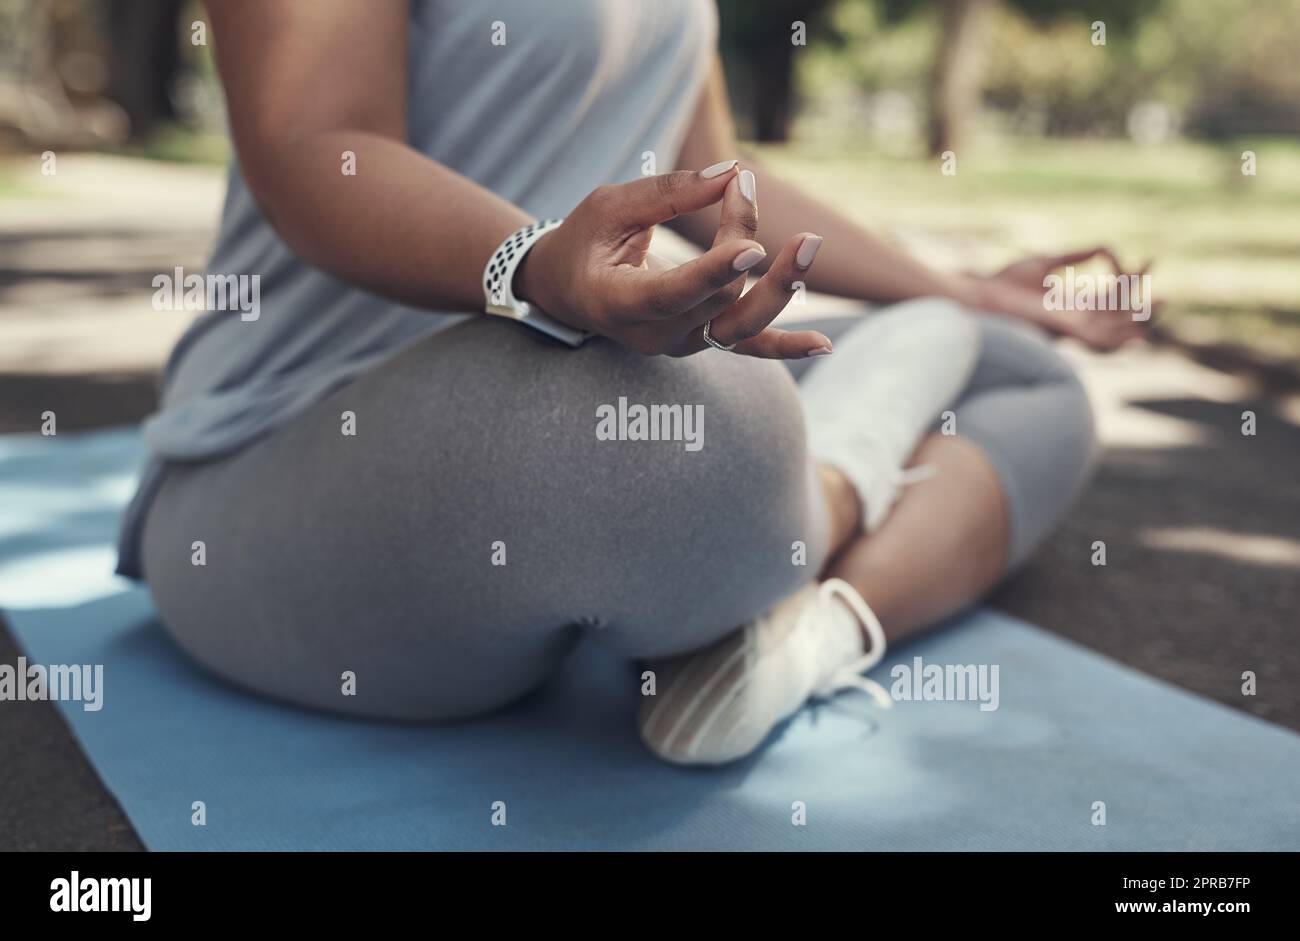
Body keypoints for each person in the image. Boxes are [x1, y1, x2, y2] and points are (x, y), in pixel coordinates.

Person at [118, 0, 1145, 766]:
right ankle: (819, 491)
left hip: (585, 424)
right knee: (677, 425)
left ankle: (793, 638)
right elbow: (315, 144)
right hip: (300, 468)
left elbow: (712, 177)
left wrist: (961, 290)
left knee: (1018, 368)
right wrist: (533, 265)